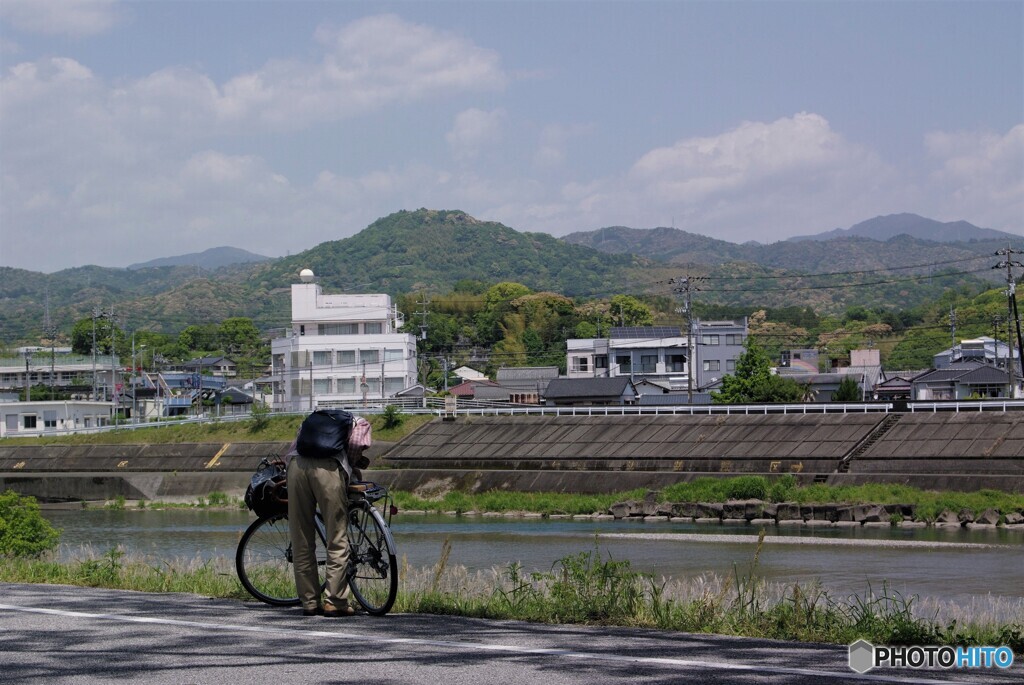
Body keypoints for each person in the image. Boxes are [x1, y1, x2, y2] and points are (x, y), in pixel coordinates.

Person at [284, 419, 356, 618]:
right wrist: (351, 468)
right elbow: (357, 446)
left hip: (297, 467)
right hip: (328, 469)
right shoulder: (356, 422)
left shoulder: (308, 422)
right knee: (336, 536)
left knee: (301, 539)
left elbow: (291, 450)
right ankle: (334, 601)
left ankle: (309, 602)